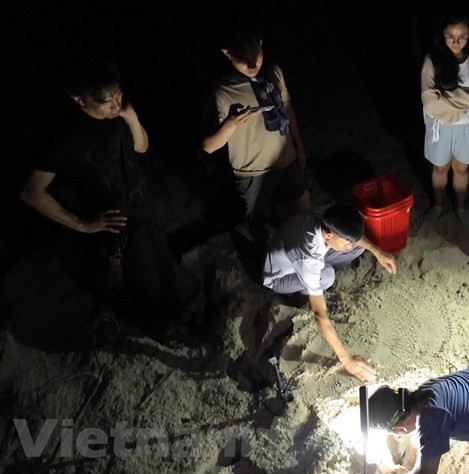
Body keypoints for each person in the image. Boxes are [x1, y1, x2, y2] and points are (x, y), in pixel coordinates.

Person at [21, 61, 184, 339]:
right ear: (78, 99)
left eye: (119, 96)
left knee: (164, 266)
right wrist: (83, 224)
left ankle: (176, 314)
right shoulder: (65, 138)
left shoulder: (119, 114)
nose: (115, 105)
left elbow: (142, 147)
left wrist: (131, 117)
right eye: (106, 102)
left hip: (143, 209)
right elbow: (31, 192)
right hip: (114, 230)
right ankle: (161, 331)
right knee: (140, 287)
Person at [262, 205, 397, 381]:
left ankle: (314, 284)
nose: (348, 246)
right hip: (279, 277)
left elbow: (353, 237)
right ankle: (299, 294)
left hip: (296, 250)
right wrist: (348, 361)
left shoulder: (326, 218)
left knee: (359, 247)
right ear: (328, 235)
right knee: (327, 276)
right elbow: (320, 316)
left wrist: (379, 252)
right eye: (345, 242)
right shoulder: (308, 256)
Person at [202, 22, 309, 234]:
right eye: (243, 61)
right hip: (252, 173)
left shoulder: (273, 72)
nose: (252, 66)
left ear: (261, 43)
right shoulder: (223, 90)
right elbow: (209, 146)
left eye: (256, 55)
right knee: (259, 225)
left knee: (303, 215)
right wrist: (230, 124)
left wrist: (299, 144)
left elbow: (287, 108)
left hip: (286, 160)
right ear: (227, 53)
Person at [421, 12, 469, 227]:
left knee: (461, 169)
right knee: (440, 168)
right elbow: (428, 99)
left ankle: (461, 206)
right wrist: (467, 100)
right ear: (442, 35)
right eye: (450, 36)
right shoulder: (433, 58)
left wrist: (448, 98)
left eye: (461, 35)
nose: (456, 41)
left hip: (467, 126)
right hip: (439, 125)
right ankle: (438, 205)